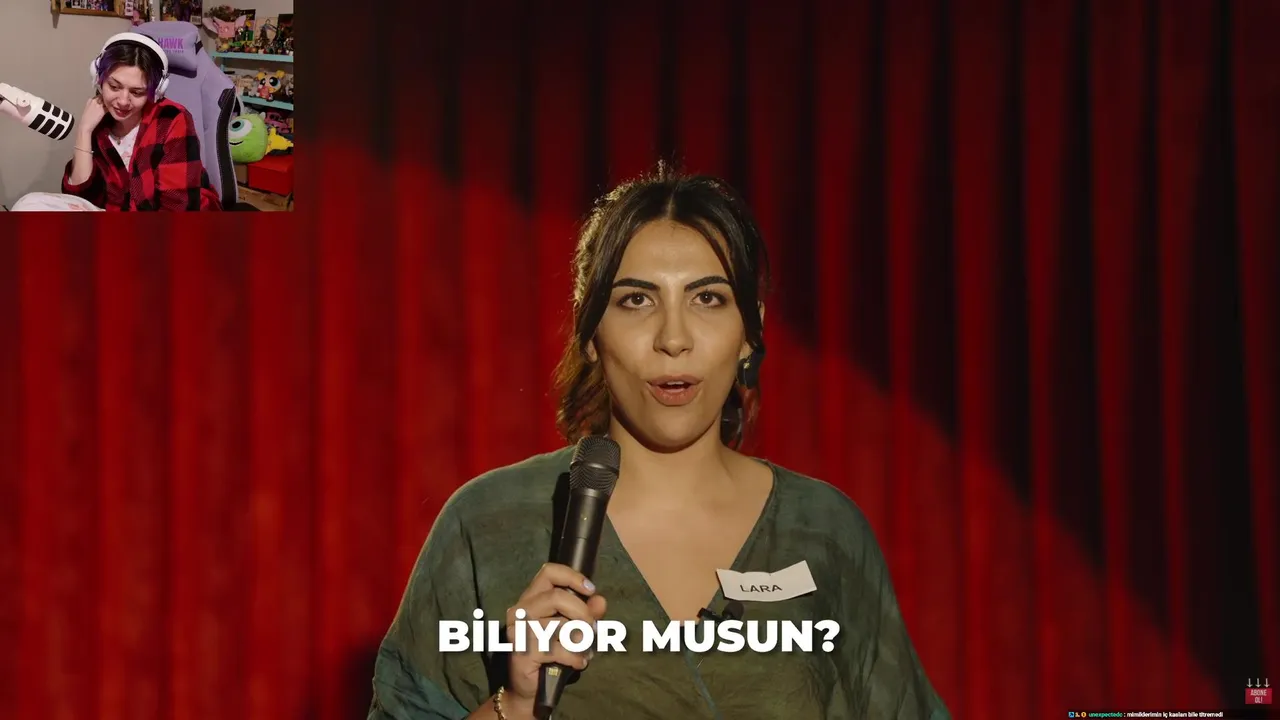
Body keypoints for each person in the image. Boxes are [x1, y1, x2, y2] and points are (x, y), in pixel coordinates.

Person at [368, 167, 951, 719]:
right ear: (591, 331)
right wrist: (516, 706)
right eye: (636, 300)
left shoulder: (824, 530)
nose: (673, 338)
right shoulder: (489, 523)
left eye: (707, 299)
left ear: (750, 333)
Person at [11, 32, 220, 212]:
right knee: (28, 205)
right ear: (98, 79)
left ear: (156, 91)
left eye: (137, 92)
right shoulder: (99, 122)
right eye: (114, 87)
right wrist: (84, 130)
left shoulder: (172, 119)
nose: (123, 101)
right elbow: (80, 198)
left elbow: (178, 207)